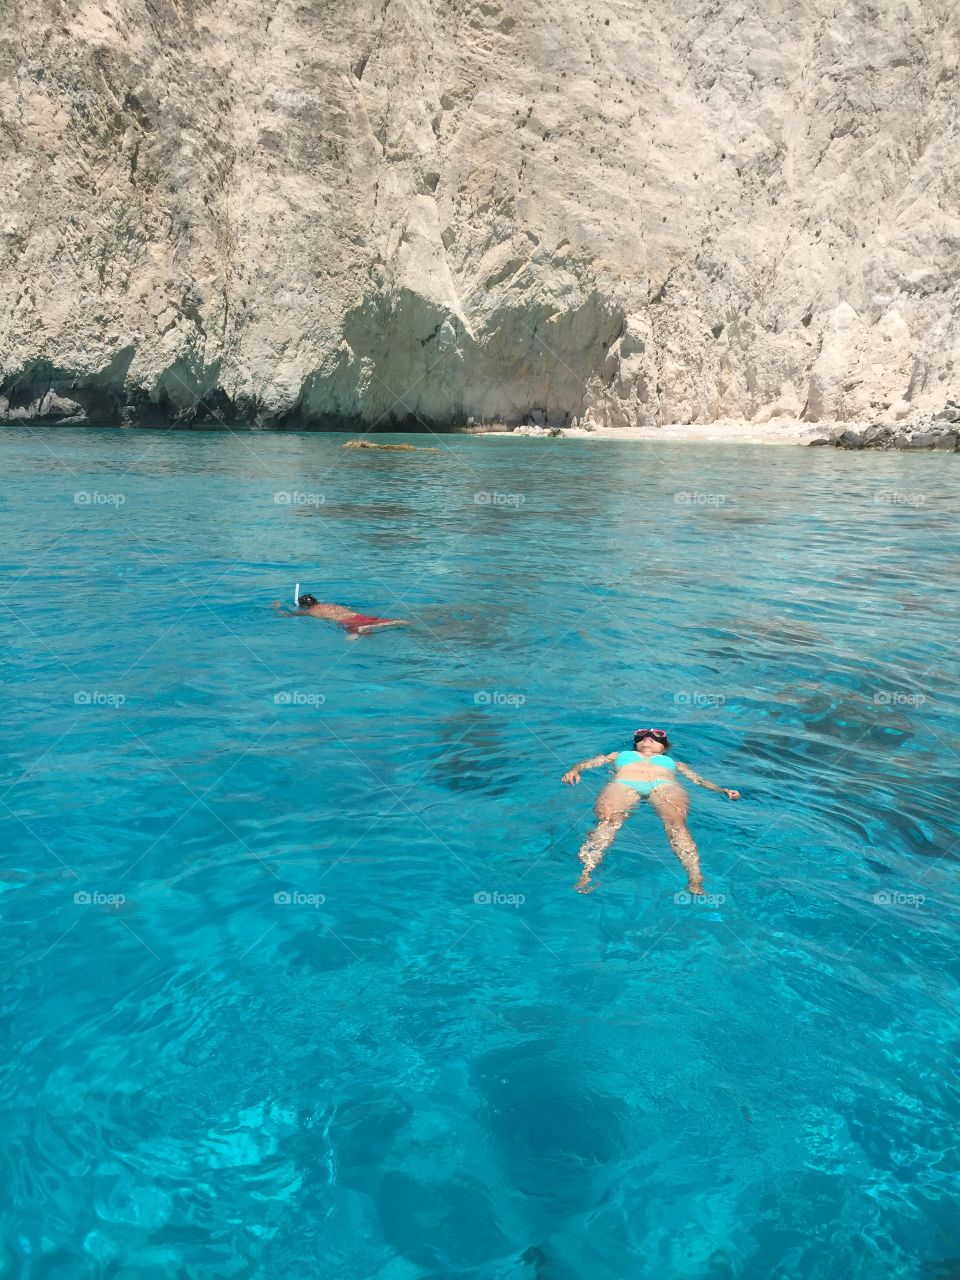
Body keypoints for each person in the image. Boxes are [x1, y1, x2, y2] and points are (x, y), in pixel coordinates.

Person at [561, 728, 740, 895]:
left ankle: (695, 879)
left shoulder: (676, 763)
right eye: (643, 735)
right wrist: (574, 770)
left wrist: (722, 790)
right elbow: (589, 763)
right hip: (624, 784)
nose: (649, 737)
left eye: (656, 737)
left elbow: (699, 780)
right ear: (636, 743)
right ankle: (586, 873)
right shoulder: (619, 755)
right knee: (608, 822)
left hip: (665, 786)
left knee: (676, 825)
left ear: (664, 748)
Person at [272, 592, 408, 637]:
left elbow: (286, 615)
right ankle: (399, 621)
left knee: (357, 634)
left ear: (303, 606)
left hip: (348, 622)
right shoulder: (329, 604)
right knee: (385, 622)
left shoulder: (310, 612)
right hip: (357, 615)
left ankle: (362, 629)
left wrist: (277, 608)